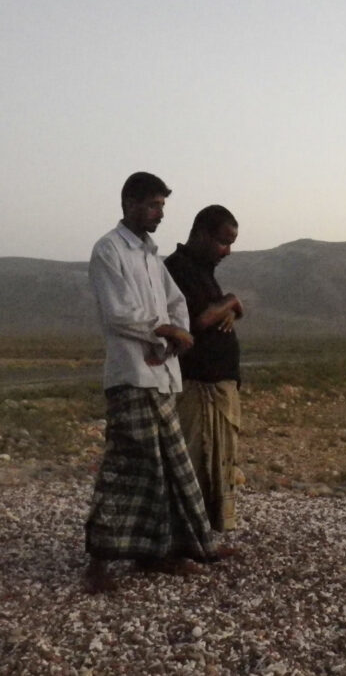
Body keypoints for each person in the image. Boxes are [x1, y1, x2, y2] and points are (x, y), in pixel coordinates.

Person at [83, 172, 229, 593]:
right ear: (129, 202)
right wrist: (166, 332)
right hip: (131, 374)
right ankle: (98, 561)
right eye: (152, 205)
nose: (159, 214)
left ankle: (160, 552)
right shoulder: (109, 250)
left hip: (162, 375)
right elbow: (119, 313)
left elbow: (175, 303)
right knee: (126, 467)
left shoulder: (151, 256)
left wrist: (175, 336)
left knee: (166, 468)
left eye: (162, 205)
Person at [165, 205, 244, 535]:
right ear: (201, 234)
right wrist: (230, 301)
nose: (227, 251)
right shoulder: (178, 268)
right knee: (193, 463)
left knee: (213, 465)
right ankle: (183, 540)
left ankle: (203, 537)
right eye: (223, 242)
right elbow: (198, 319)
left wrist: (227, 308)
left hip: (215, 384)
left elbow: (217, 314)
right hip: (196, 385)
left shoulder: (203, 271)